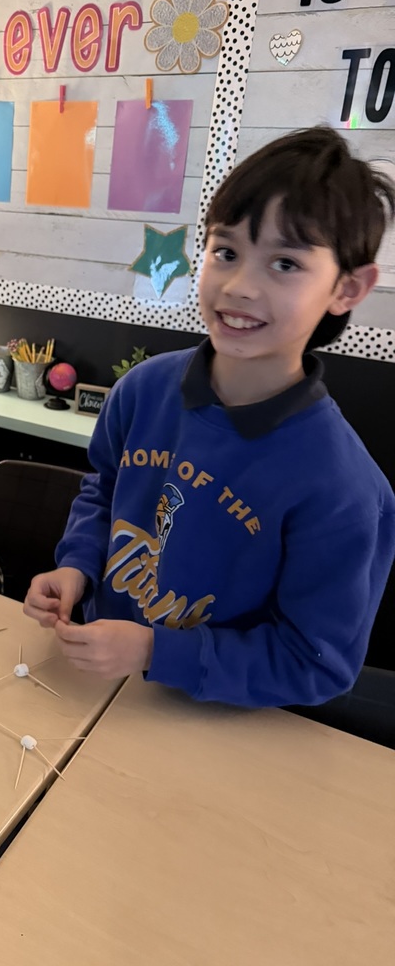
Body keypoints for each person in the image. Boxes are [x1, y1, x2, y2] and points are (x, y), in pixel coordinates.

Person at [24, 126, 395, 708]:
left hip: (211, 723)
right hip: (92, 686)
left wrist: (154, 652)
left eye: (285, 263)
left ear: (347, 288)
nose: (240, 286)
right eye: (226, 252)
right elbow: (103, 492)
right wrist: (78, 568)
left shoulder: (344, 488)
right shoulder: (143, 390)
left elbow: (314, 663)